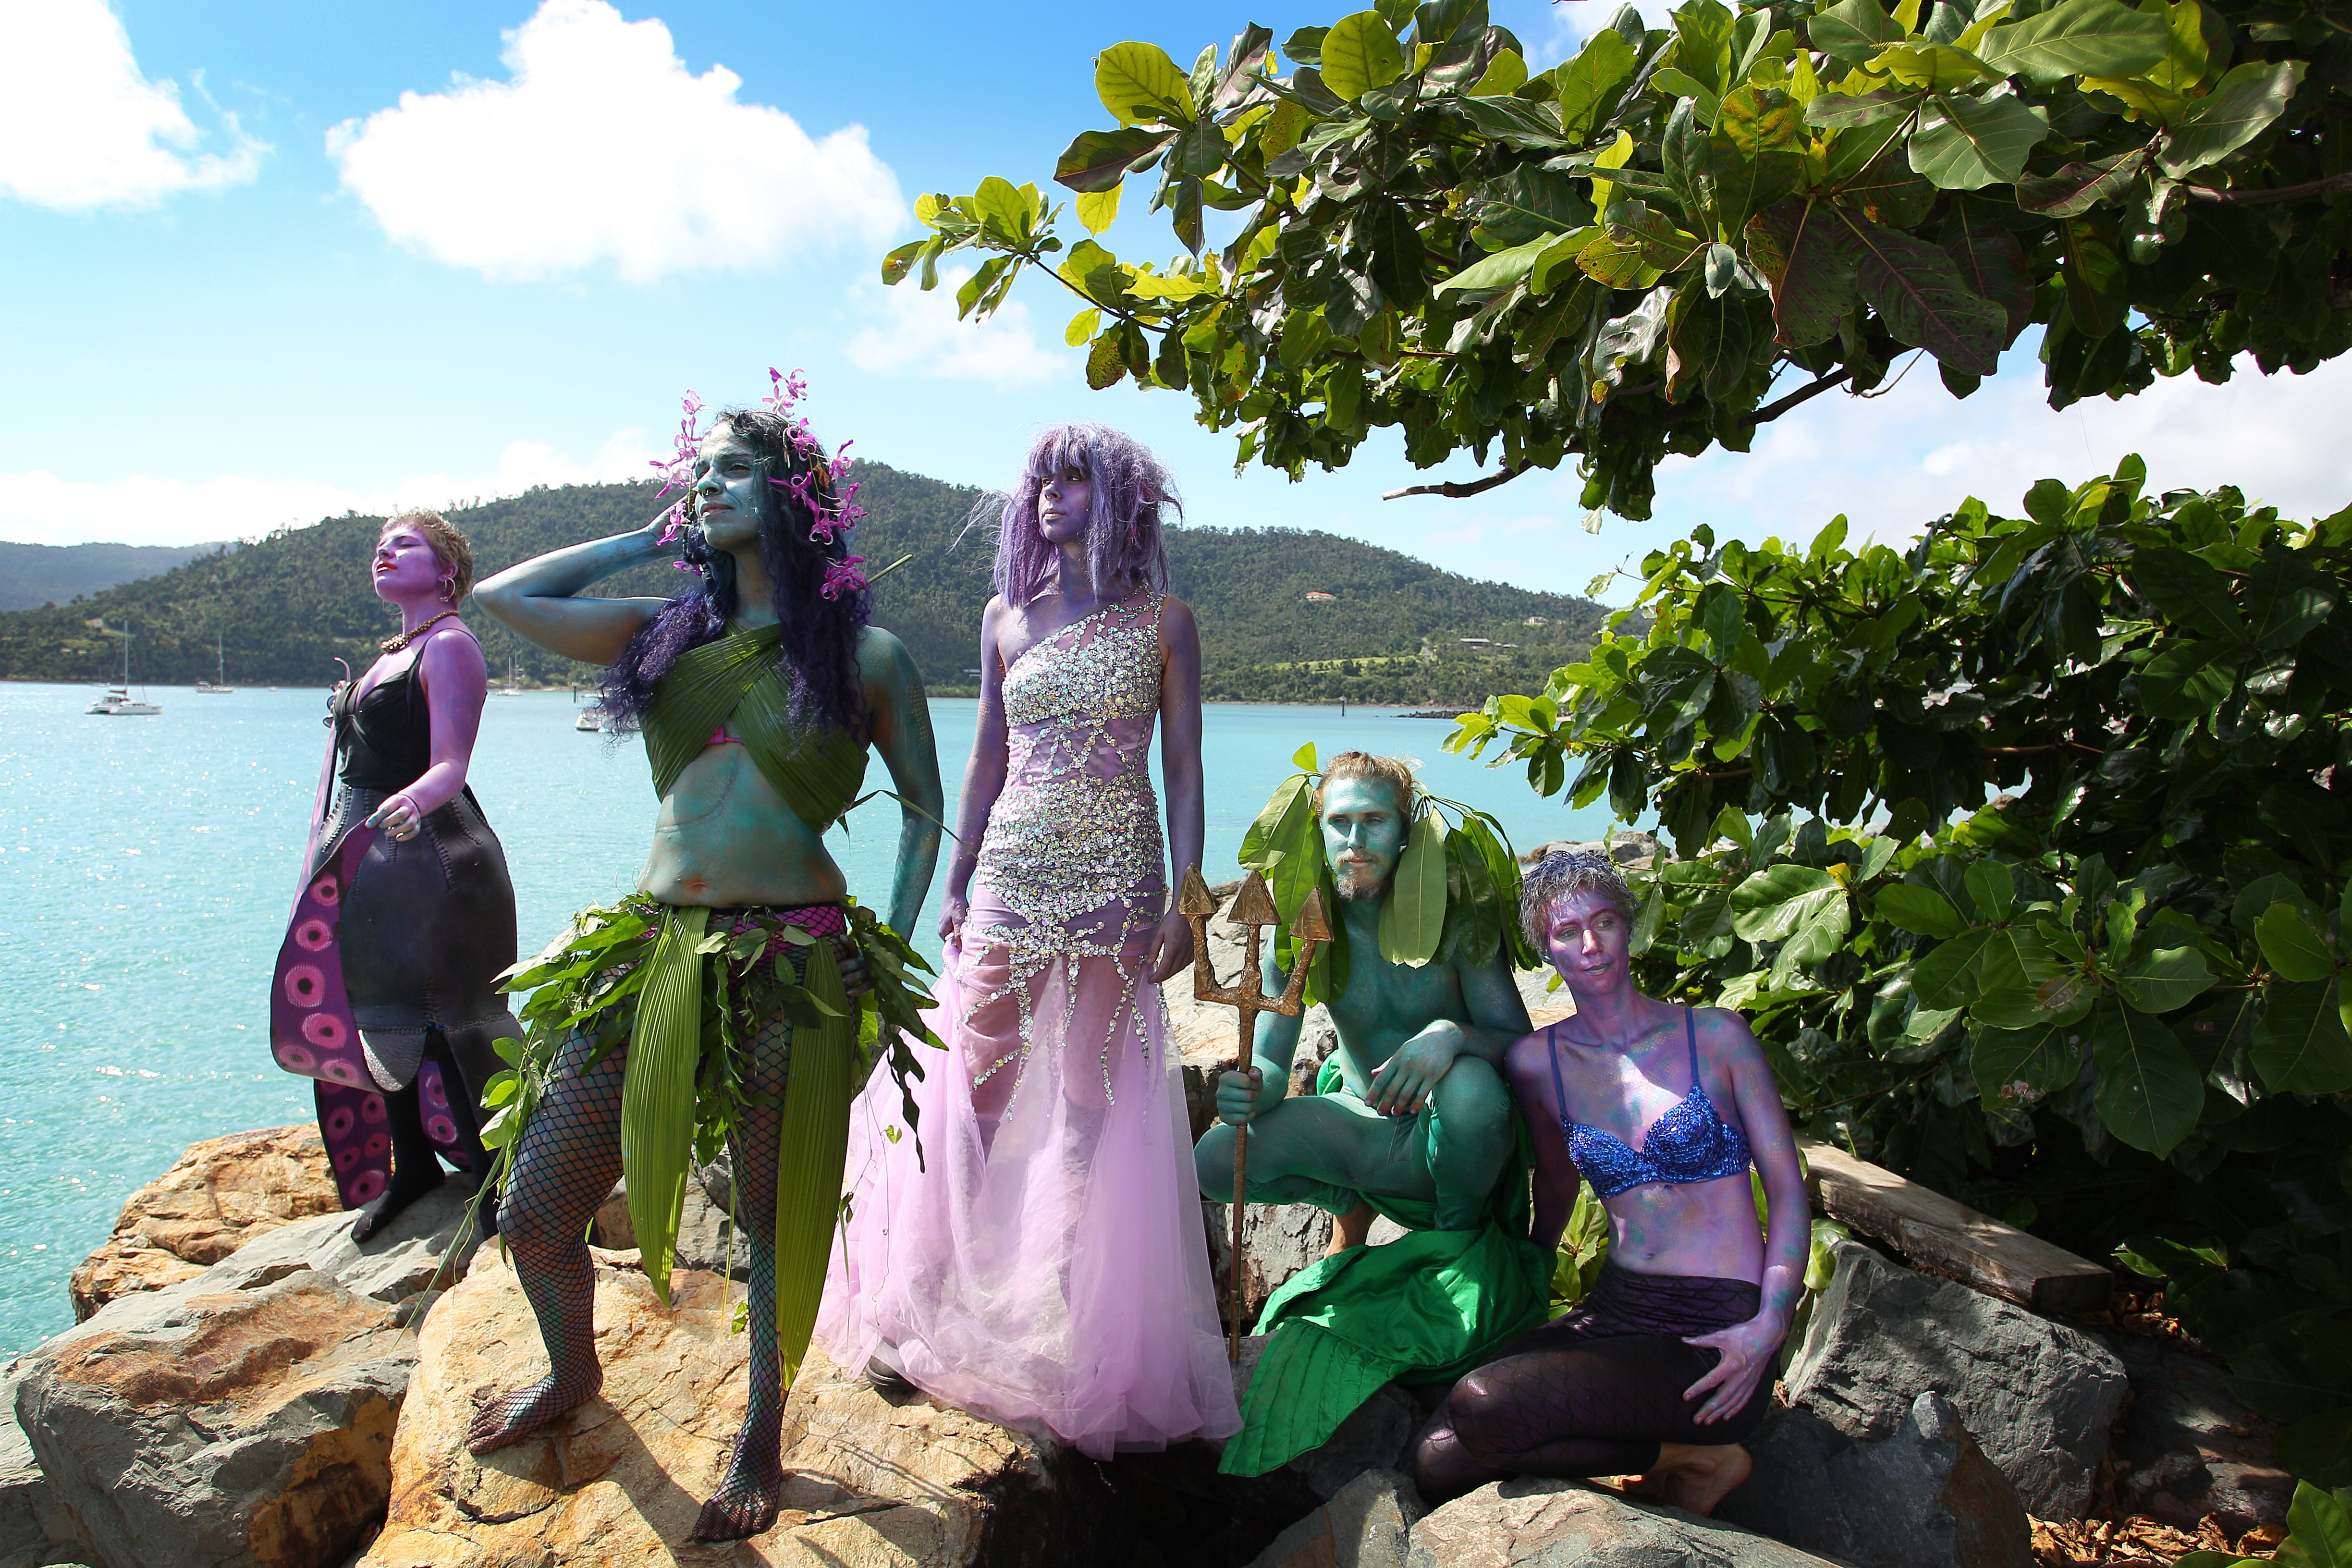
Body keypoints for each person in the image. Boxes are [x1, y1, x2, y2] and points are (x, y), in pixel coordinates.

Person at [466, 383, 943, 1543]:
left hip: (800, 960)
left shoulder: (866, 655)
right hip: (657, 952)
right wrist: (648, 536)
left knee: (782, 1222)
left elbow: (925, 809)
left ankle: (759, 1438)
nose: (712, 483)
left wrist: (886, 948)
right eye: (705, 469)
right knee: (534, 1207)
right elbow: (503, 597)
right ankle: (573, 1370)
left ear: (797, 502)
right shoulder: (663, 630)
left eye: (737, 469)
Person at [817, 423, 1237, 1458]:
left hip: (1119, 878)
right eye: (1042, 481)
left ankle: (1056, 1307)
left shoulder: (1165, 621)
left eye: (1076, 479)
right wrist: (957, 882)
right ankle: (920, 1292)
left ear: (1122, 496)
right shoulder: (1005, 615)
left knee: (1092, 1098)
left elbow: (1182, 769)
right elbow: (983, 761)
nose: (1052, 496)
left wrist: (1190, 902)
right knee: (975, 1078)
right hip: (1013, 861)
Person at [1412, 849, 1809, 1516]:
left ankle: (1702, 1453)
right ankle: (1682, 1461)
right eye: (1567, 932)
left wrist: (1770, 1326)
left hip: (1716, 1331)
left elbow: (1789, 1188)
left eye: (1604, 922)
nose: (1590, 945)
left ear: (1630, 927)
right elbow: (1559, 1186)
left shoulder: (1716, 1037)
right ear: (1547, 949)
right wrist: (1532, 1270)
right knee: (1435, 1454)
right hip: (1617, 1311)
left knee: (1487, 1405)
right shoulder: (1539, 1064)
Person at [1196, 752, 1546, 1477]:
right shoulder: (1306, 919)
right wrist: (1251, 1087)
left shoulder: (1456, 919)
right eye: (1340, 825)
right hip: (1363, 1127)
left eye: (1374, 821)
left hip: (1446, 1145)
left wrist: (1450, 1038)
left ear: (1408, 828)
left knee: (1477, 1089)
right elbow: (1271, 1051)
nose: (1355, 842)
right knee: (1212, 1159)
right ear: (1319, 833)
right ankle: (1346, 1204)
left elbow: (1518, 1046)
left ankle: (1452, 1248)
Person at [270, 510, 519, 1242]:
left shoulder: (451, 646)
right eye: (380, 546)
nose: (384, 552)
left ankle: (504, 1179)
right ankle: (412, 1169)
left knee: (459, 1018)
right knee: (378, 1018)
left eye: (404, 544)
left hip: (433, 854)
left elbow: (451, 763)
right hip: (363, 855)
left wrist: (411, 801)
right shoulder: (392, 652)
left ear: (448, 571)